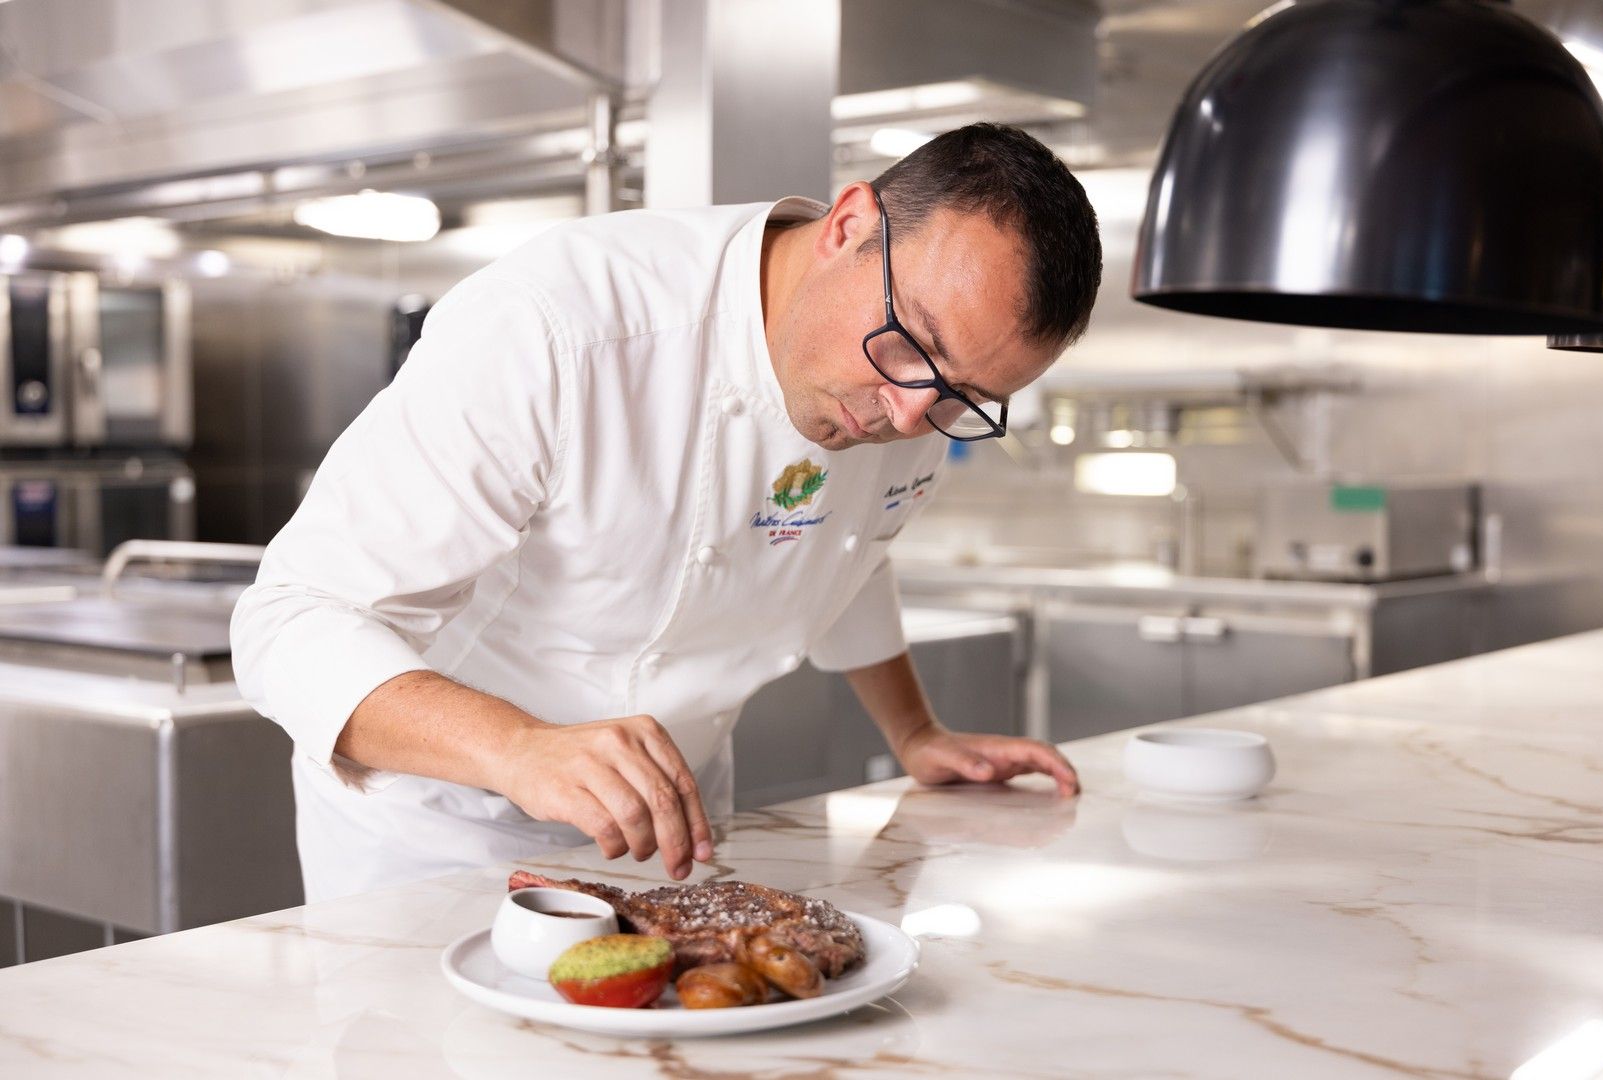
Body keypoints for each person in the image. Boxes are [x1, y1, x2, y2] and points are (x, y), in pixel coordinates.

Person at [231, 122, 1103, 903]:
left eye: (965, 396)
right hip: (440, 832)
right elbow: (291, 621)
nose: (913, 415)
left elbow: (846, 550)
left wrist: (914, 730)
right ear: (847, 227)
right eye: (914, 344)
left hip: (670, 830)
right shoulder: (558, 324)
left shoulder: (904, 391)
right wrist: (518, 747)